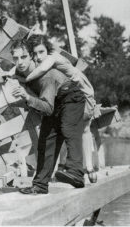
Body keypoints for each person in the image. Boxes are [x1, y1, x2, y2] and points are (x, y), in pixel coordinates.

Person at [10, 39, 86, 195]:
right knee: (46, 141)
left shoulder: (45, 77)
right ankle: (40, 185)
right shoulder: (22, 71)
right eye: (16, 58)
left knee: (68, 130)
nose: (20, 62)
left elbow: (47, 108)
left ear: (31, 56)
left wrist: (28, 98)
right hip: (55, 101)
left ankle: (76, 173)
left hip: (71, 97)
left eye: (24, 57)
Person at [24, 34, 98, 183]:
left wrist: (25, 80)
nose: (38, 57)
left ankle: (85, 169)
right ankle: (87, 170)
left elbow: (41, 70)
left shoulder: (52, 57)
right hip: (70, 91)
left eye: (41, 52)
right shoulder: (48, 59)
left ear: (48, 50)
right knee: (79, 128)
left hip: (81, 89)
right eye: (35, 53)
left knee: (81, 127)